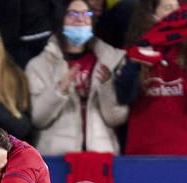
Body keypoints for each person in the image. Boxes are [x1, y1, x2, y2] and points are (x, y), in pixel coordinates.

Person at [116, 0, 187, 156]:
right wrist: (133, 64)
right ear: (152, 16)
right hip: (143, 152)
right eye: (168, 8)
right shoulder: (133, 52)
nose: (177, 14)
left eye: (178, 8)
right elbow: (123, 97)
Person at [25, 0, 128, 155]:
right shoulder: (39, 65)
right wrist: (60, 89)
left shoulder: (111, 61)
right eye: (73, 14)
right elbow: (38, 119)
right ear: (61, 20)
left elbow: (116, 118)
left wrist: (106, 86)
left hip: (101, 156)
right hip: (57, 158)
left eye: (86, 14)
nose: (80, 19)